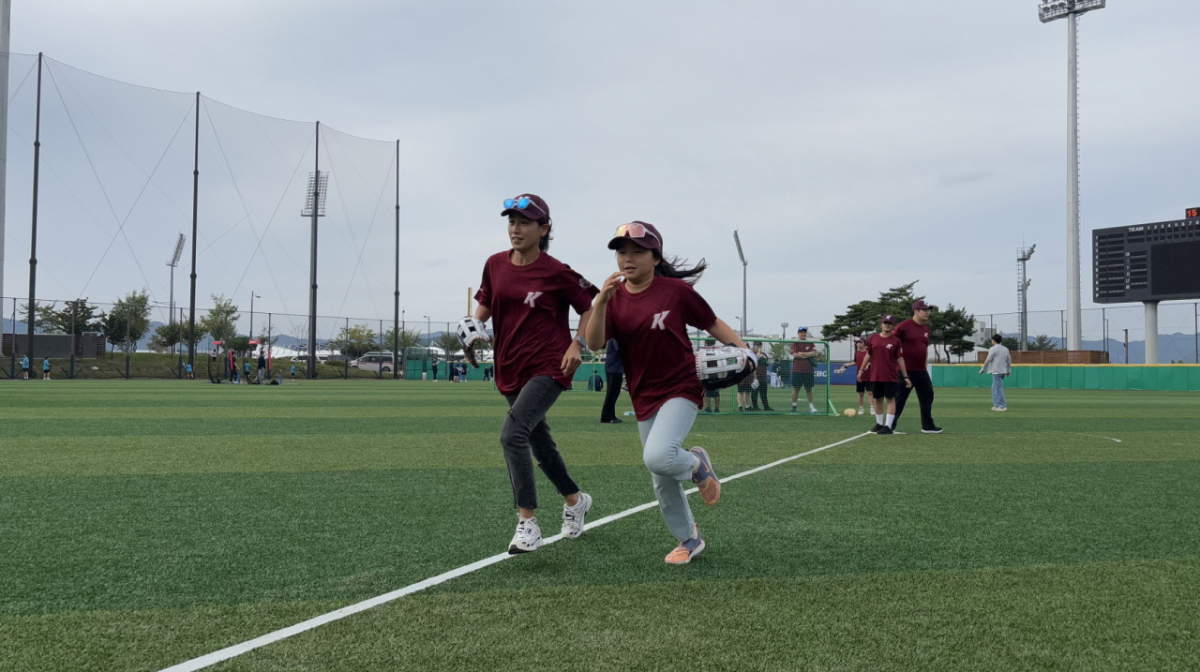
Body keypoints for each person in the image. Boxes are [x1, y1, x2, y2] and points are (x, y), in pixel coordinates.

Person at [586, 220, 752, 565]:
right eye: (621, 253)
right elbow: (595, 343)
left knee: (658, 456)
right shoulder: (614, 300)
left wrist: (745, 349)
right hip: (643, 393)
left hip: (681, 386)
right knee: (660, 477)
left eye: (636, 252)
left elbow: (712, 323)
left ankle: (697, 466)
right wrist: (601, 302)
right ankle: (689, 539)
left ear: (655, 256)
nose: (627, 259)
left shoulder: (675, 292)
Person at [473, 192, 597, 554]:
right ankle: (575, 501)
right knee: (538, 441)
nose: (515, 229)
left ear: (543, 229)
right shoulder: (494, 264)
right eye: (511, 221)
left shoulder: (557, 271)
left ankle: (527, 523)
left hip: (549, 365)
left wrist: (579, 343)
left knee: (512, 434)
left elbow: (589, 306)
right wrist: (474, 325)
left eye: (524, 222)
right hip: (509, 366)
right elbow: (484, 303)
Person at [892, 300, 942, 434]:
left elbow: (924, 349)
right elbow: (891, 343)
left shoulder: (925, 329)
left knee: (928, 396)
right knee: (899, 399)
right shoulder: (904, 326)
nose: (928, 313)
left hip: (921, 371)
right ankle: (890, 426)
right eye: (925, 310)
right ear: (916, 311)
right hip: (905, 371)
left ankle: (927, 426)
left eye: (928, 310)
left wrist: (924, 366)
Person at [858, 315, 911, 435]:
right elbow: (868, 355)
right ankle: (879, 424)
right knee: (877, 400)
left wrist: (906, 377)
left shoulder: (896, 341)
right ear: (881, 324)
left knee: (890, 399)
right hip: (875, 375)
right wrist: (861, 371)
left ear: (893, 326)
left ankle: (888, 425)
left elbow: (900, 359)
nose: (887, 325)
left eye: (890, 323)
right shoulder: (873, 338)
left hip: (890, 376)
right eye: (885, 323)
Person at [980, 333, 1012, 411]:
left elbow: (988, 359)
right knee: (995, 388)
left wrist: (983, 368)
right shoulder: (1005, 349)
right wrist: (1008, 370)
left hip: (996, 370)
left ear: (994, 341)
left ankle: (1002, 406)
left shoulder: (993, 349)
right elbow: (1009, 360)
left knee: (997, 389)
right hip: (1002, 370)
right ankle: (997, 404)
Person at [790, 327, 819, 413]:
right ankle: (794, 407)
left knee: (809, 389)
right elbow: (795, 355)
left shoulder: (810, 343)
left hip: (808, 370)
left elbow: (814, 353)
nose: (803, 334)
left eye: (804, 332)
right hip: (797, 370)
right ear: (798, 333)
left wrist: (803, 354)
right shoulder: (795, 343)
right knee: (796, 388)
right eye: (801, 332)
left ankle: (811, 407)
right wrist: (807, 355)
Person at [600, 337, 625, 423]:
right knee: (612, 393)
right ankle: (606, 416)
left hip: (615, 368)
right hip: (614, 369)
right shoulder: (615, 337)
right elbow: (621, 349)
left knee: (614, 393)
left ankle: (611, 415)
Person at [749, 341, 773, 411]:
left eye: (760, 346)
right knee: (754, 392)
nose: (758, 347)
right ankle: (755, 406)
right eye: (757, 346)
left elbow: (766, 362)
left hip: (763, 377)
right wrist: (758, 354)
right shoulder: (752, 354)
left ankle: (766, 406)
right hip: (755, 377)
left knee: (764, 393)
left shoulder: (764, 355)